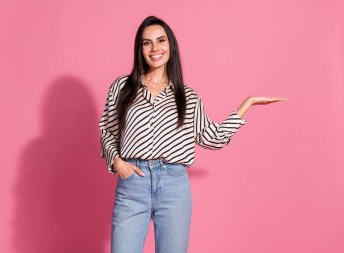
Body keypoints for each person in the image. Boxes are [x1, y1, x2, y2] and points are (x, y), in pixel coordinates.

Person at [99, 15, 287, 253]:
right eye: (147, 43)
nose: (155, 48)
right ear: (140, 48)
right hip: (133, 183)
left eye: (161, 41)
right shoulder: (122, 87)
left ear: (171, 46)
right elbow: (107, 130)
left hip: (173, 186)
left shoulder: (187, 97)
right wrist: (117, 162)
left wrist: (246, 105)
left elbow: (212, 137)